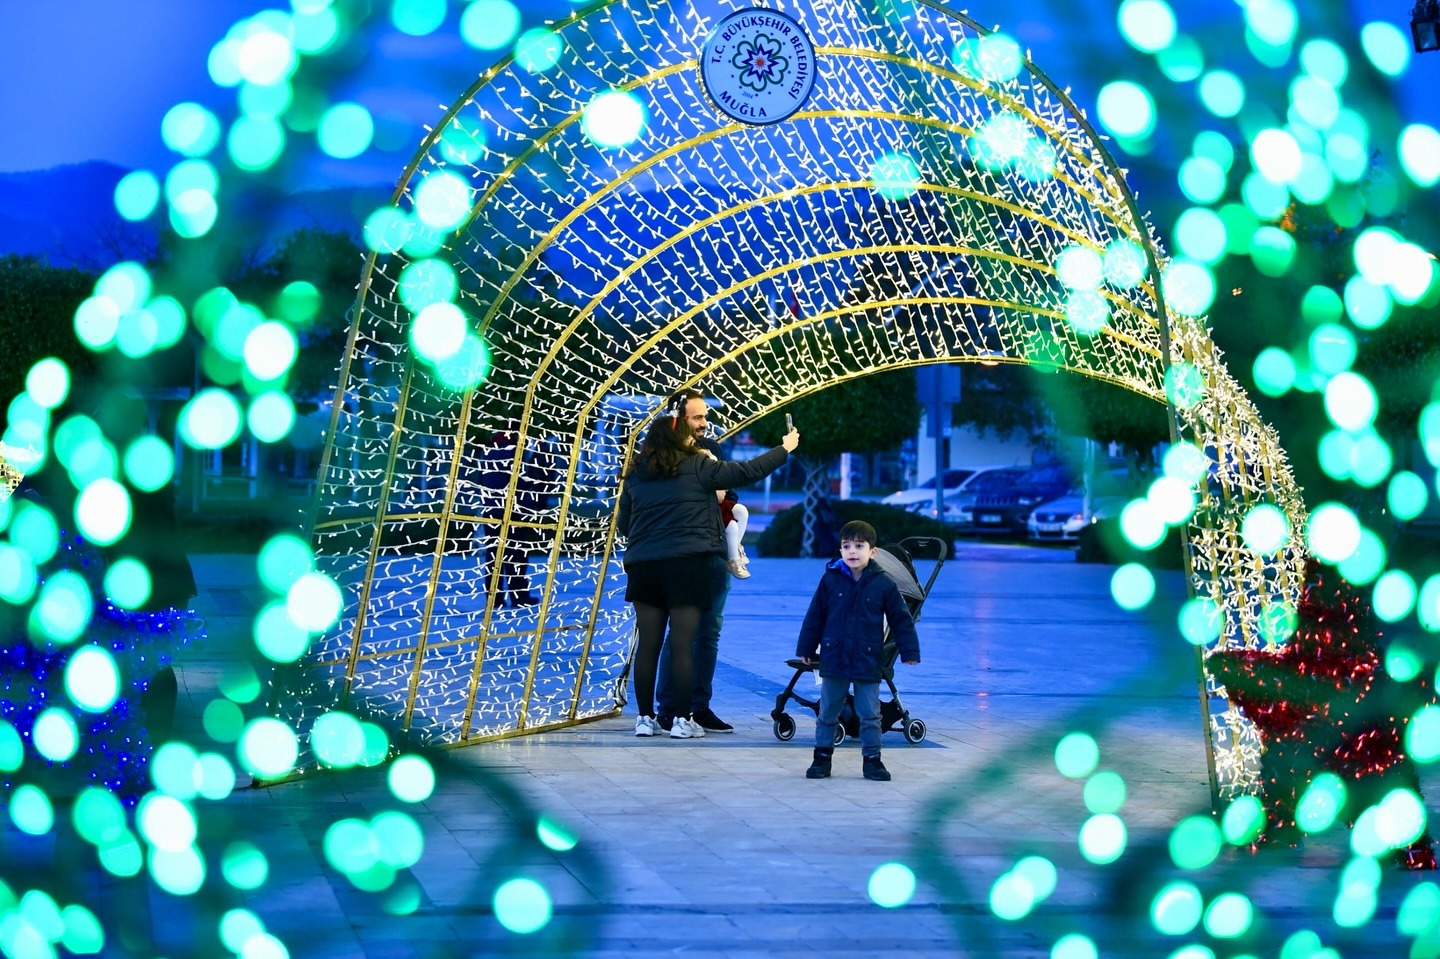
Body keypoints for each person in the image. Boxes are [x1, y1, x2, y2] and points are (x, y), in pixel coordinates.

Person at [618, 394, 798, 740]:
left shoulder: (636, 474)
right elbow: (748, 471)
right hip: (688, 564)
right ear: (678, 432)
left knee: (650, 645)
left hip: (644, 567)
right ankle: (683, 720)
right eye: (692, 425)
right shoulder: (699, 463)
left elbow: (626, 525)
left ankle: (645, 718)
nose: (697, 432)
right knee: (685, 643)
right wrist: (785, 447)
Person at [795, 520, 920, 781]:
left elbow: (900, 618)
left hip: (867, 658)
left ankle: (872, 760)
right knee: (828, 711)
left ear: (873, 552)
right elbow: (814, 616)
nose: (852, 551)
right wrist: (806, 648)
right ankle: (822, 758)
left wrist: (909, 651)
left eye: (859, 546)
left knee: (870, 714)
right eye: (846, 546)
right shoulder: (830, 580)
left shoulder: (882, 583)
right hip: (835, 657)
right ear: (840, 550)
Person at [655, 391, 738, 733]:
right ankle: (668, 708)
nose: (705, 423)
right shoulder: (662, 454)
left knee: (710, 632)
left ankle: (698, 705)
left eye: (705, 416)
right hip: (679, 556)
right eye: (697, 417)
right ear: (678, 419)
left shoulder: (713, 450)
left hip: (715, 553)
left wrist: (719, 492)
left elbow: (729, 495)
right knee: (680, 633)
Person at [475, 425, 545, 607]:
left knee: (494, 556)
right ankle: (519, 596)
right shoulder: (515, 453)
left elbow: (480, 481)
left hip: (491, 511)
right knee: (516, 555)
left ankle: (494, 598)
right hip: (511, 510)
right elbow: (520, 483)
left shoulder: (487, 453)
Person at [722, 498, 750, 579]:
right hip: (706, 502)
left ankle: (736, 548)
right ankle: (732, 560)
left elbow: (731, 494)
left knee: (742, 511)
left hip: (720, 500)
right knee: (732, 526)